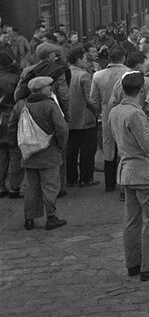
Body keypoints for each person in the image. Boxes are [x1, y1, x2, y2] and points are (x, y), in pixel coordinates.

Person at [108, 71, 149, 282]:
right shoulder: (135, 114)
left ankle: (134, 263)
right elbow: (147, 146)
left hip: (127, 171)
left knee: (132, 221)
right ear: (143, 90)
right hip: (144, 172)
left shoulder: (115, 111)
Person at [9, 77, 69, 230]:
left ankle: (29, 219)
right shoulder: (50, 105)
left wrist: (19, 146)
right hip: (49, 154)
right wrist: (61, 145)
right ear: (42, 90)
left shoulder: (20, 106)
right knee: (50, 186)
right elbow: (62, 129)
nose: (50, 89)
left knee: (31, 187)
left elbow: (12, 127)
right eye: (48, 87)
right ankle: (51, 217)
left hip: (28, 154)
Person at [89, 48, 130, 192]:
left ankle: (109, 183)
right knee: (126, 146)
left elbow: (93, 100)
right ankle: (125, 181)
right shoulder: (130, 74)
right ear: (123, 58)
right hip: (127, 114)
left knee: (109, 146)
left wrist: (100, 111)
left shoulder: (98, 76)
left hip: (107, 115)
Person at [65, 47, 99, 188]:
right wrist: (96, 112)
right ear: (78, 60)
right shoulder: (84, 76)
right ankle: (86, 178)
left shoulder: (64, 74)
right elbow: (91, 99)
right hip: (85, 119)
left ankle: (71, 178)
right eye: (85, 59)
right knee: (87, 150)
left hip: (69, 118)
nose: (87, 61)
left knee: (71, 150)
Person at [0, 53, 22, 198]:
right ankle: (14, 186)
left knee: (1, 153)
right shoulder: (15, 78)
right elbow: (19, 97)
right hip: (12, 116)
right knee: (15, 153)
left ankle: (1, 186)